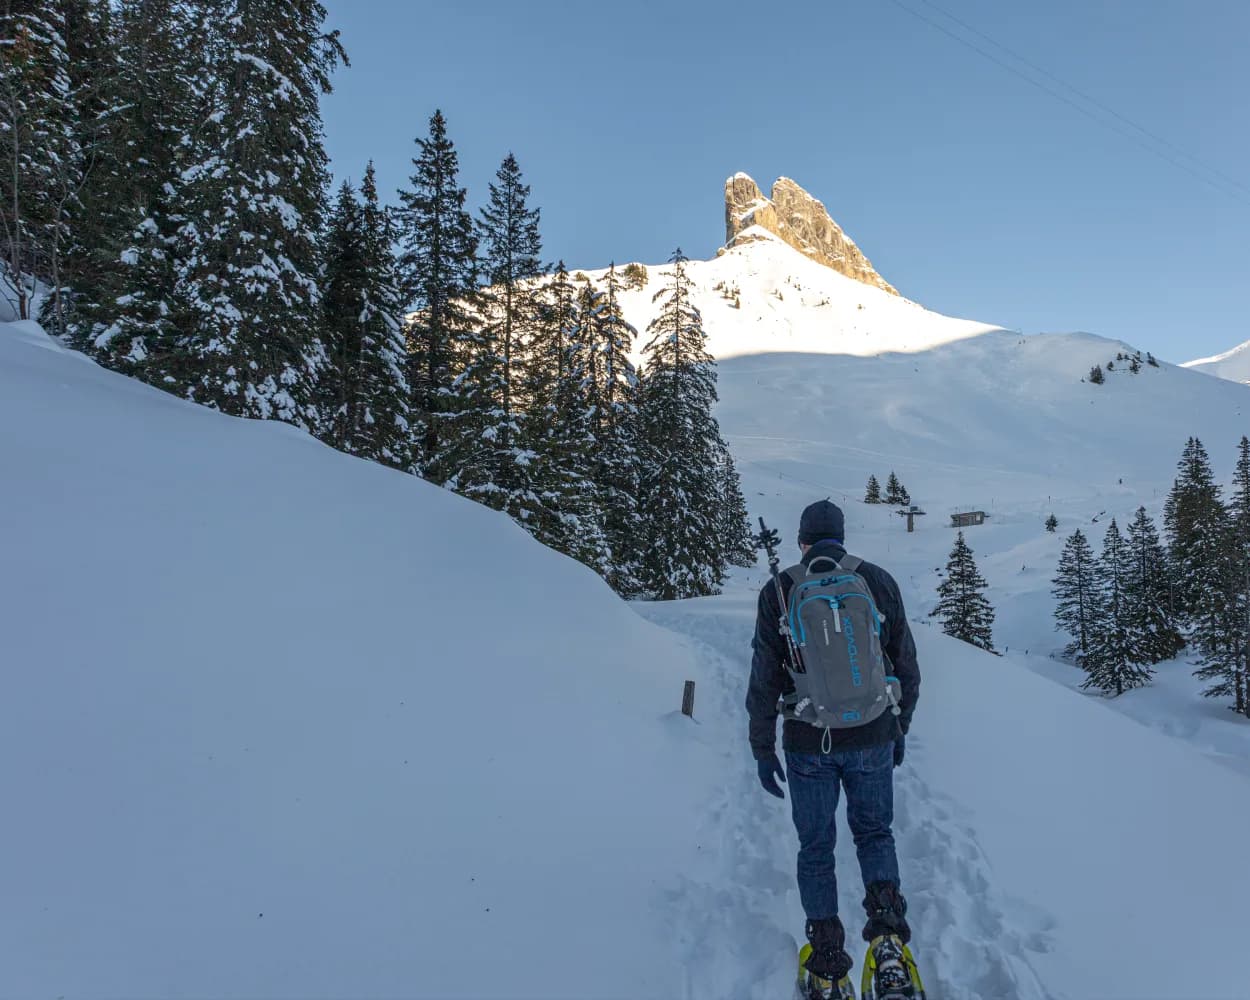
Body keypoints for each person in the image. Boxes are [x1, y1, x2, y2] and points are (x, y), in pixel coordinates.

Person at [746, 499, 921, 993]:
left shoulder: (780, 590)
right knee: (874, 834)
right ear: (841, 538)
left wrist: (763, 748)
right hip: (873, 734)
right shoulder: (877, 581)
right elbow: (906, 665)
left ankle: (826, 959)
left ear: (802, 540)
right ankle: (888, 943)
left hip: (808, 742)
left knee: (816, 846)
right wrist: (899, 727)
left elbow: (764, 678)